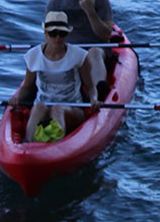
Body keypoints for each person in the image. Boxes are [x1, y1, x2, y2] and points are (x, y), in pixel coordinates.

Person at [8, 11, 99, 142]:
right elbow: (27, 87)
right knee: (39, 106)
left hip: (73, 109)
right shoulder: (33, 56)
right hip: (43, 107)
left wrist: (94, 99)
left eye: (62, 34)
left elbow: (90, 87)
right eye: (53, 33)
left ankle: (56, 145)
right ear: (45, 33)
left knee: (58, 108)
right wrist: (16, 99)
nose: (57, 38)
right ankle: (28, 145)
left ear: (67, 34)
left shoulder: (79, 55)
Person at [46, 0, 115, 98]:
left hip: (96, 52)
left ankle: (98, 92)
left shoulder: (100, 0)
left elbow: (106, 35)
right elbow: (48, 40)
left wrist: (90, 11)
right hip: (68, 52)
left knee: (94, 52)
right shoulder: (56, 4)